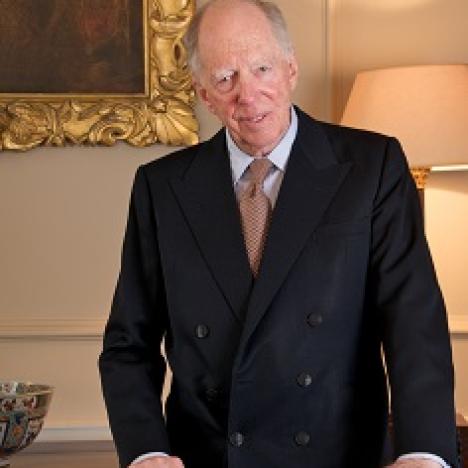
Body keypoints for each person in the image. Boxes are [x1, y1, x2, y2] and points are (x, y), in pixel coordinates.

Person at [99, 1, 459, 467]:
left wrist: (424, 453)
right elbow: (128, 344)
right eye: (225, 77)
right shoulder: (162, 187)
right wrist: (146, 453)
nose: (248, 95)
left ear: (291, 68)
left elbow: (414, 324)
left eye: (262, 68)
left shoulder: (373, 168)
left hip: (338, 456)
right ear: (203, 93)